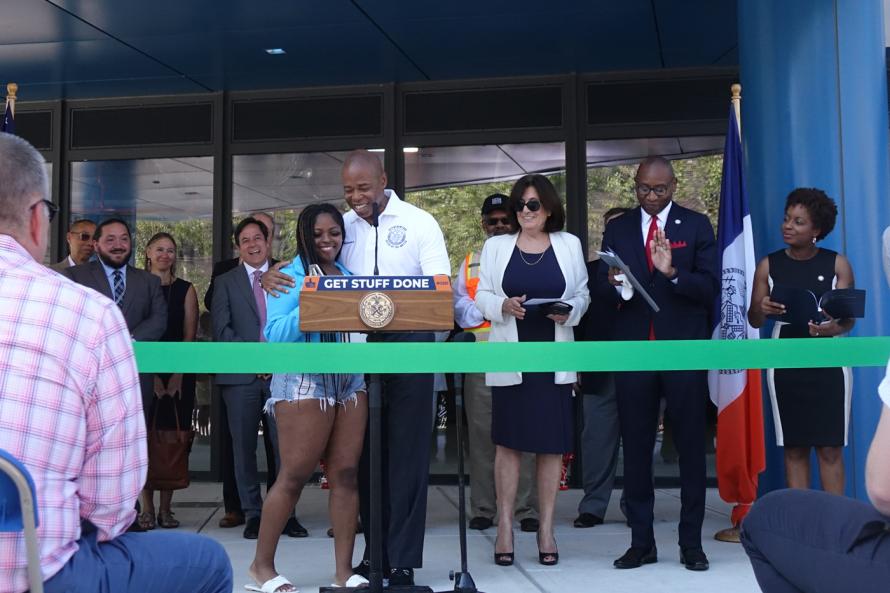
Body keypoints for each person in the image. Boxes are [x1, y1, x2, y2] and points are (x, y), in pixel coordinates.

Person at [0, 131, 232, 593]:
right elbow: (109, 504)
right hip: (39, 575)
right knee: (207, 562)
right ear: (37, 221)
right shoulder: (84, 307)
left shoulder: (140, 287)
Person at [262, 150, 450, 587]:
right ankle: (373, 556)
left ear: (384, 179)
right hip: (357, 354)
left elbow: (440, 288)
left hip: (410, 345)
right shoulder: (343, 226)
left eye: (363, 187)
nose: (356, 196)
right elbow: (310, 260)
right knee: (361, 460)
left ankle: (401, 560)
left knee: (405, 455)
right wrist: (268, 275)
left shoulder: (420, 222)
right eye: (348, 189)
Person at [597, 156, 718, 571]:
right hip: (634, 351)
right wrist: (618, 287)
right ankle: (641, 542)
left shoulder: (696, 225)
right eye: (643, 189)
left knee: (689, 448)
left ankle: (691, 544)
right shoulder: (618, 226)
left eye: (659, 190)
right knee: (635, 449)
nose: (650, 197)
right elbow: (603, 285)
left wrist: (671, 273)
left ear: (674, 186)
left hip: (682, 350)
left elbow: (710, 287)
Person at [247, 204, 369, 592]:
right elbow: (277, 333)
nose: (327, 240)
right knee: (295, 475)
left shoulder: (347, 274)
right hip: (304, 381)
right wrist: (315, 306)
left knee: (346, 475)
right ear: (304, 234)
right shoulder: (287, 275)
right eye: (318, 234)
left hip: (349, 380)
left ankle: (344, 572)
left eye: (334, 232)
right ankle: (261, 567)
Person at [474, 174, 590, 567]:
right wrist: (503, 306)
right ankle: (505, 525)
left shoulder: (569, 244)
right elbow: (482, 294)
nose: (525, 211)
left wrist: (570, 310)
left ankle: (545, 529)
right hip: (512, 355)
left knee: (551, 446)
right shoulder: (495, 246)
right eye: (520, 205)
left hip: (553, 356)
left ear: (550, 208)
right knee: (508, 443)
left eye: (533, 205)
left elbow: (583, 294)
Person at [739, 357, 890, 592]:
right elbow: (754, 320)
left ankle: (838, 534)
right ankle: (822, 533)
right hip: (787, 355)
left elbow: (883, 491)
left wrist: (834, 325)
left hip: (830, 356)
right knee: (794, 449)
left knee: (761, 520)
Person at [205, 212, 305, 537]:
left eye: (257, 238)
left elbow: (296, 321)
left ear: (268, 241)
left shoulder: (286, 274)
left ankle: (286, 514)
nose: (252, 244)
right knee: (243, 448)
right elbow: (222, 329)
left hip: (282, 375)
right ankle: (253, 514)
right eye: (245, 240)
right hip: (241, 378)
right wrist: (255, 359)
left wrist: (271, 361)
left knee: (285, 448)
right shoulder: (224, 282)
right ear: (238, 247)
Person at [748, 188, 855, 494]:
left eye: (798, 222)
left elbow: (847, 320)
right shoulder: (769, 265)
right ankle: (803, 530)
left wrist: (828, 329)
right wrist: (762, 308)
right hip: (784, 362)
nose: (787, 226)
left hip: (829, 363)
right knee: (794, 449)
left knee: (830, 449)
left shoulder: (838, 264)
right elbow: (754, 319)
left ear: (816, 230)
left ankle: (836, 529)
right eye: (786, 219)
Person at [453, 193, 539, 534]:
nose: (500, 225)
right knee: (482, 438)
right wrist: (495, 307)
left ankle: (526, 508)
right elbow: (460, 309)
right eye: (493, 221)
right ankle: (484, 508)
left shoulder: (533, 255)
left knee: (526, 435)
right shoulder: (471, 260)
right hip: (483, 360)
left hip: (524, 358)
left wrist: (490, 305)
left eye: (505, 219)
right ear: (483, 224)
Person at [63, 217, 168, 416]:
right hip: (90, 378)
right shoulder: (75, 277)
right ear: (96, 245)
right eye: (110, 240)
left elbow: (159, 319)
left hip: (136, 376)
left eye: (124, 239)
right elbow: (70, 321)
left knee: (135, 441)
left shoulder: (149, 281)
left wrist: (127, 340)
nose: (118, 245)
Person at [573, 206, 630, 528]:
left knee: (639, 441)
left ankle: (635, 505)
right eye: (610, 230)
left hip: (639, 369)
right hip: (598, 370)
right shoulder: (589, 272)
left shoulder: (648, 271)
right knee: (596, 440)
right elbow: (578, 323)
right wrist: (577, 365)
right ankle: (592, 507)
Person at [139, 232, 199, 530]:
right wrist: (150, 379)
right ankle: (146, 509)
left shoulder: (186, 290)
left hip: (178, 376)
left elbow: (189, 336)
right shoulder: (137, 287)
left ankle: (166, 509)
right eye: (160, 249)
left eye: (171, 250)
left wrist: (176, 375)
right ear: (148, 252)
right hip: (142, 375)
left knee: (172, 440)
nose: (165, 255)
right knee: (143, 440)